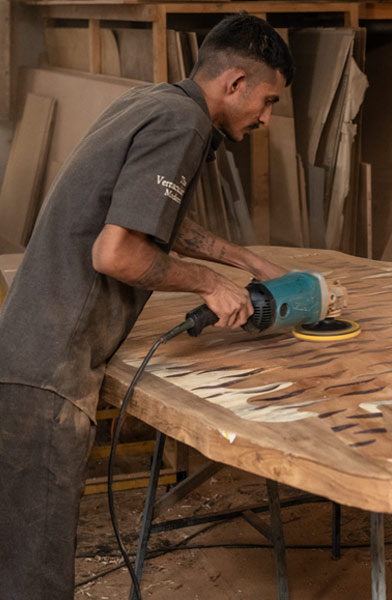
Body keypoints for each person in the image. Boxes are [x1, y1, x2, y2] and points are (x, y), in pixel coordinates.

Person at [0, 13, 294, 599]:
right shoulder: (181, 125)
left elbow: (153, 218)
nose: (266, 118)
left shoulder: (156, 102)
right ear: (234, 82)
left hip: (31, 347)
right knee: (31, 570)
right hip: (49, 370)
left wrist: (248, 262)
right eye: (267, 101)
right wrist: (210, 285)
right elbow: (117, 252)